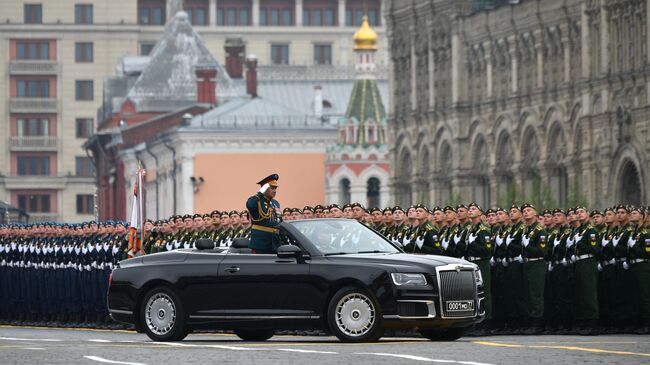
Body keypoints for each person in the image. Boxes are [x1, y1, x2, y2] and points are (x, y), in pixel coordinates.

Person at [246, 174, 282, 254]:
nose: (274, 191)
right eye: (272, 188)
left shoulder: (275, 203)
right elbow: (250, 205)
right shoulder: (256, 200)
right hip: (260, 243)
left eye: (275, 188)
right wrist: (260, 193)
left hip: (275, 243)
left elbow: (279, 221)